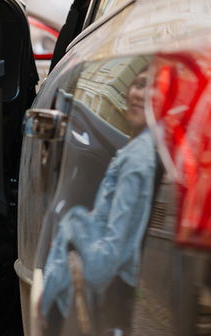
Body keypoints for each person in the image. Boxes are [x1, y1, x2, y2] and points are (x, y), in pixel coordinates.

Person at [40, 67, 156, 326]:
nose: (139, 94)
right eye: (138, 84)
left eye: (152, 87)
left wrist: (73, 227)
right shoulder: (139, 150)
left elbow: (106, 263)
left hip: (112, 293)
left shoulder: (137, 160)